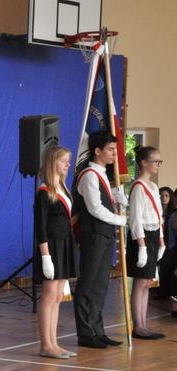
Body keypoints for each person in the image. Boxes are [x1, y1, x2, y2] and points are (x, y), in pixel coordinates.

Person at [72, 130, 128, 349]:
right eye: (110, 149)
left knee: (101, 284)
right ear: (97, 151)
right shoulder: (89, 175)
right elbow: (95, 208)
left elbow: (108, 203)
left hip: (105, 235)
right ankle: (85, 333)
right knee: (88, 283)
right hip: (93, 234)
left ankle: (97, 330)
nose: (115, 153)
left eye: (115, 149)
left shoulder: (104, 174)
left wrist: (119, 199)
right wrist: (120, 220)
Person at [34, 145, 77, 358]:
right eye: (63, 161)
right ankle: (45, 345)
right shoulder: (44, 191)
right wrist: (45, 256)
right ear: (53, 162)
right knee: (49, 296)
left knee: (58, 297)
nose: (68, 164)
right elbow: (40, 227)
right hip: (51, 247)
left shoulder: (63, 189)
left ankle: (54, 343)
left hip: (64, 245)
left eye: (68, 160)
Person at [127, 146, 166, 339]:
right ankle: (138, 326)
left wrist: (161, 240)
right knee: (140, 281)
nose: (158, 164)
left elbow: (158, 216)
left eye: (159, 161)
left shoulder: (153, 187)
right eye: (155, 161)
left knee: (147, 282)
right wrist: (142, 246)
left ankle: (143, 324)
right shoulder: (138, 187)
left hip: (153, 236)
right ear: (143, 163)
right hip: (141, 238)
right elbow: (135, 218)